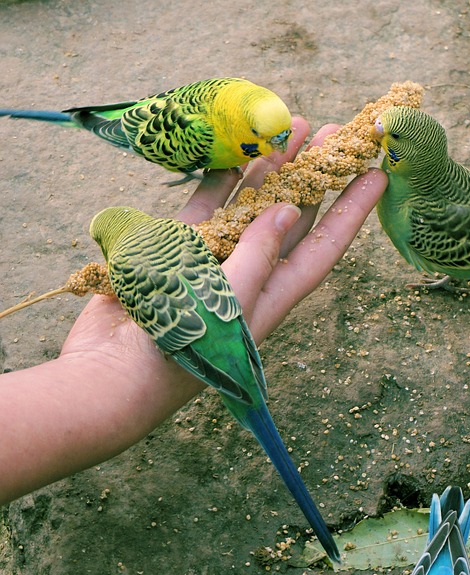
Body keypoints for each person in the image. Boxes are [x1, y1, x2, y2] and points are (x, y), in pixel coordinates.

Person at [0, 117, 387, 504]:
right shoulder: (178, 233)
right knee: (251, 401)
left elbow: (171, 333)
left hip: (203, 344)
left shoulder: (123, 271)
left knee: (246, 401)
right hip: (224, 317)